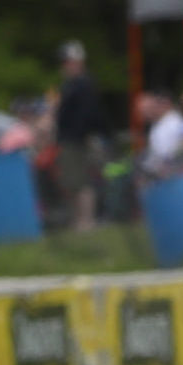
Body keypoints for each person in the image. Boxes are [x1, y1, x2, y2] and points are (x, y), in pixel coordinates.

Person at [55, 40, 107, 232]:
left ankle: (86, 221)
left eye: (68, 62)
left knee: (82, 181)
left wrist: (82, 134)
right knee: (71, 182)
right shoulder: (72, 85)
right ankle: (78, 220)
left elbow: (88, 113)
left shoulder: (83, 84)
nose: (65, 66)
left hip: (77, 139)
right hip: (70, 139)